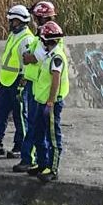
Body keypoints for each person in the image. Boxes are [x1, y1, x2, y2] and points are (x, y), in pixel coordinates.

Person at [0, 5, 34, 158]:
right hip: (6, 82)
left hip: (18, 82)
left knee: (20, 116)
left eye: (12, 20)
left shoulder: (26, 39)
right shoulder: (13, 36)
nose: (10, 23)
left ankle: (20, 146)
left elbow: (28, 65)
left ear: (19, 21)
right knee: (1, 114)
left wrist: (22, 83)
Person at [13, 1, 58, 173]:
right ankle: (40, 162)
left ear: (40, 17)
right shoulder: (44, 32)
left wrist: (28, 57)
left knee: (37, 126)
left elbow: (35, 57)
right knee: (37, 127)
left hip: (41, 88)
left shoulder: (49, 35)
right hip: (36, 84)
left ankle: (31, 160)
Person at [30, 21, 69, 183]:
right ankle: (42, 163)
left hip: (50, 103)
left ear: (46, 40)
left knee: (53, 137)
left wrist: (51, 102)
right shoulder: (49, 55)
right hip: (41, 101)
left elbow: (55, 81)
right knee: (39, 133)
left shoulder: (56, 57)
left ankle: (53, 169)